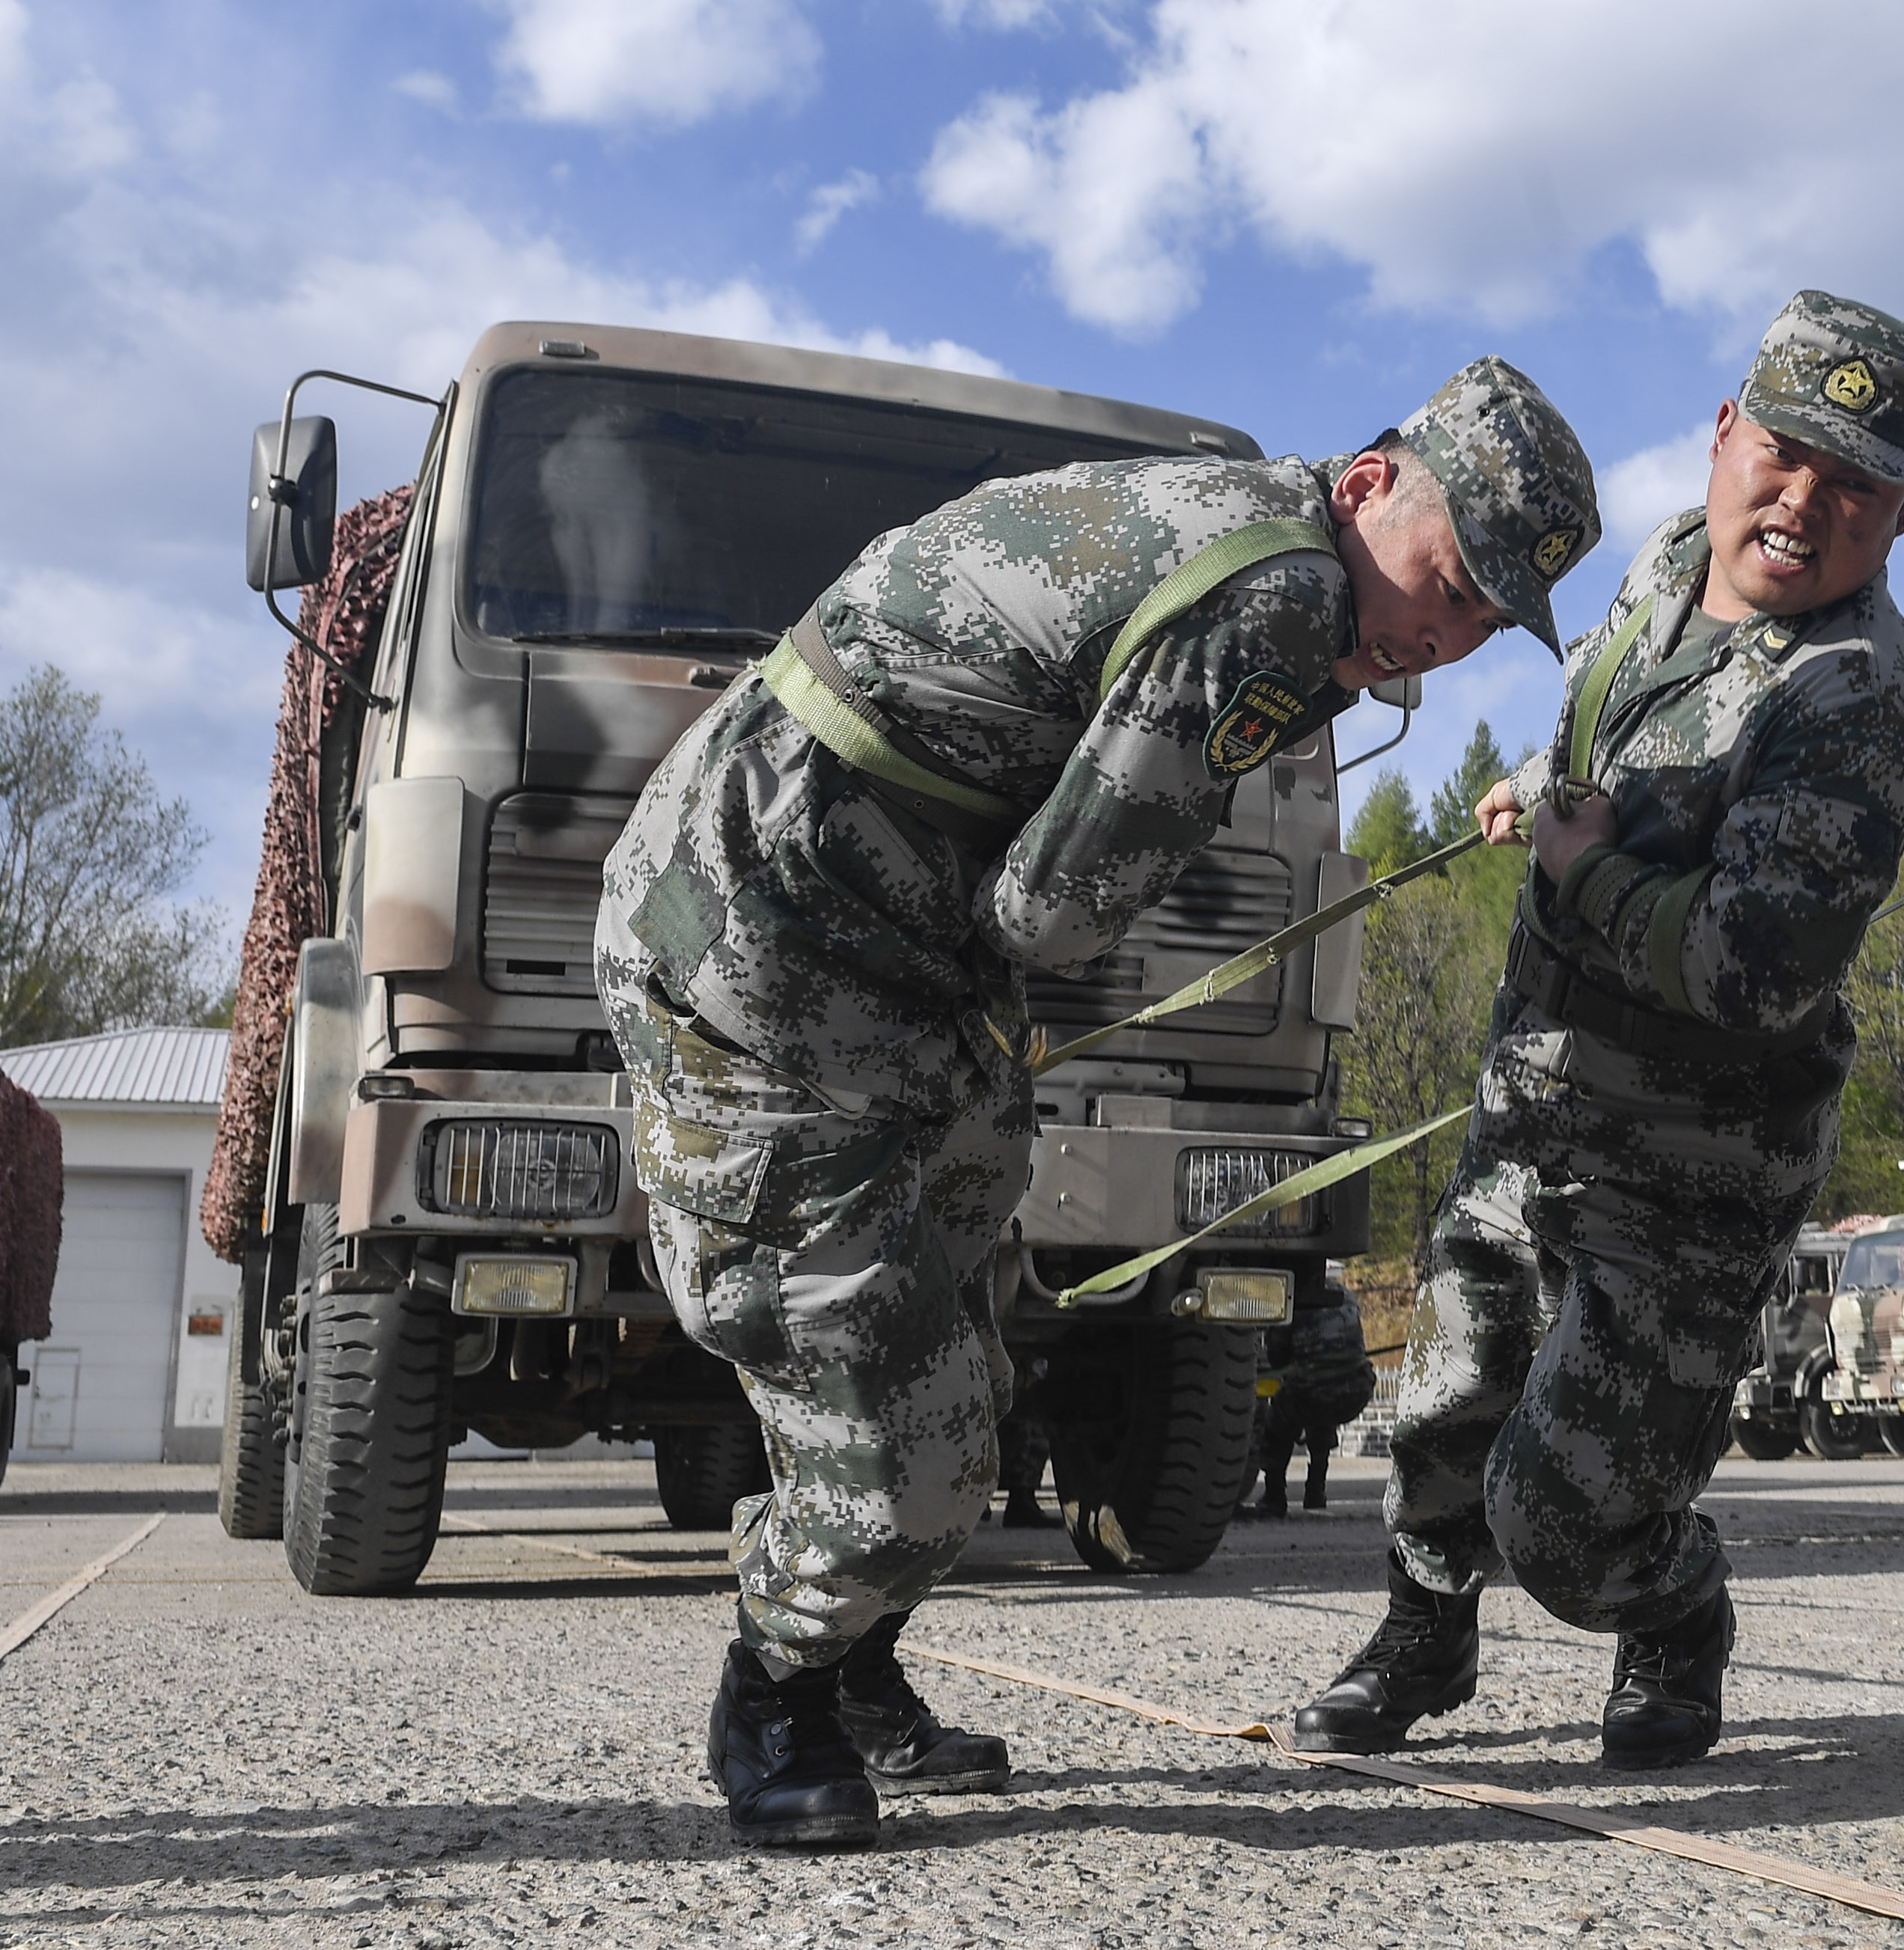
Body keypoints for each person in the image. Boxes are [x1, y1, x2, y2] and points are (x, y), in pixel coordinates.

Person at [596, 361, 1603, 1848]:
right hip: (764, 956)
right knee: (902, 1438)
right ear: (1373, 483)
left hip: (886, 953)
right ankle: (778, 1688)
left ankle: (854, 1656)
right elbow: (1057, 913)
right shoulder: (1275, 601)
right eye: (1444, 583)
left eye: (1478, 622)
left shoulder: (1248, 520)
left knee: (966, 1350)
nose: (1439, 638)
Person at [1290, 291, 1904, 1770]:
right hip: (1538, 1078)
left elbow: (1756, 974)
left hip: (1695, 1154)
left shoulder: (1850, 701)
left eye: (1854, 484)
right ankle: (1422, 1628)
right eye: (1783, 453)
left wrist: (1585, 866)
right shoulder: (1667, 558)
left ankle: (1669, 1605)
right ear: (1726, 436)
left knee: (1569, 1521)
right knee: (1448, 1393)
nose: (1801, 502)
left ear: (1902, 512)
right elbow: (1612, 710)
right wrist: (1540, 778)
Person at [1245, 1280, 1378, 1517]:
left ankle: (1275, 1496)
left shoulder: (1290, 1298)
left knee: (1278, 1425)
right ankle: (1316, 1490)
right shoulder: (1345, 1294)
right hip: (1357, 1389)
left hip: (1313, 1392)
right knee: (1321, 1410)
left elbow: (1278, 1357)